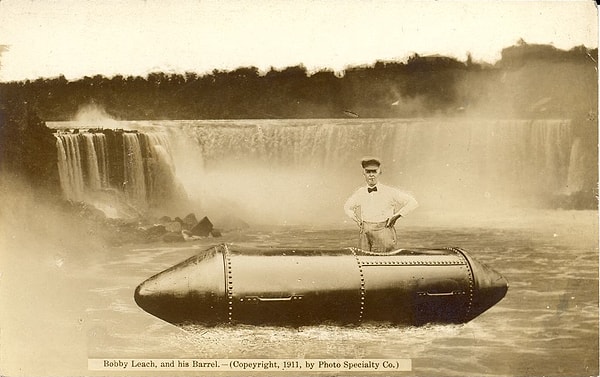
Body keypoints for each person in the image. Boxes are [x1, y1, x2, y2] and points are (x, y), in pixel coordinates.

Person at [344, 157, 418, 253]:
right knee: (365, 262)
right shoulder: (360, 192)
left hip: (384, 232)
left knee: (383, 263)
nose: (371, 175)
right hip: (365, 233)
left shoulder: (389, 191)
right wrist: (357, 220)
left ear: (379, 172)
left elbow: (413, 202)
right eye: (368, 172)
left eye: (374, 172)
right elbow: (347, 207)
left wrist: (396, 216)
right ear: (364, 173)